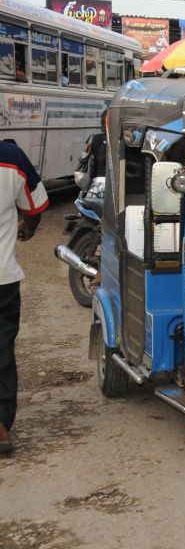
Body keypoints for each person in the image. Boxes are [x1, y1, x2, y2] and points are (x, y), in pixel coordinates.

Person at [0, 140, 48, 456]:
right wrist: (27, 228)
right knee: (1, 350)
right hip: (1, 279)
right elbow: (35, 206)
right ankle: (1, 428)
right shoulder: (10, 157)